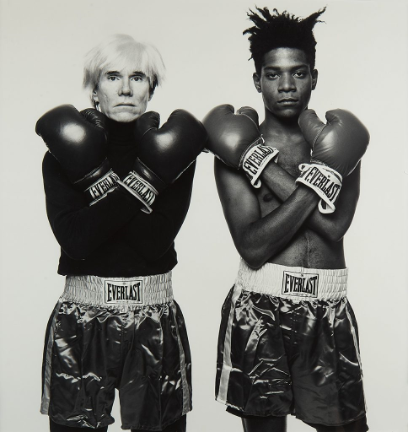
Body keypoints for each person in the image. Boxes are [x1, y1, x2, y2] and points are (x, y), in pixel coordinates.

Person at [203, 7, 369, 432]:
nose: (287, 86)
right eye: (273, 75)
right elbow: (253, 247)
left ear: (314, 76)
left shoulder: (338, 142)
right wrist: (253, 158)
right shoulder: (233, 149)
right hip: (259, 309)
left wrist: (263, 168)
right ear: (257, 80)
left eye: (298, 73)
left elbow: (334, 229)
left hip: (327, 307)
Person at [36, 34, 206, 432]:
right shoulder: (61, 153)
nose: (126, 88)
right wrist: (147, 180)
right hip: (81, 318)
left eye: (138, 77)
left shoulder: (176, 152)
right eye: (113, 77)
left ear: (151, 89)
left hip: (152, 317)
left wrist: (100, 184)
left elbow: (154, 242)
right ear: (94, 90)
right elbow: (75, 241)